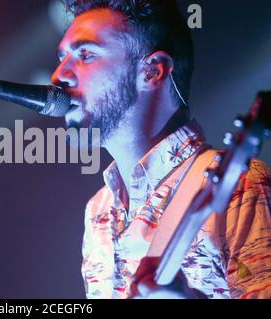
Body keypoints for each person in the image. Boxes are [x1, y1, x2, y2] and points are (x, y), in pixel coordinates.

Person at [50, 0, 271, 299]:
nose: (58, 76)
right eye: (61, 57)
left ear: (153, 71)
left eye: (86, 54)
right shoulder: (99, 211)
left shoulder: (241, 186)